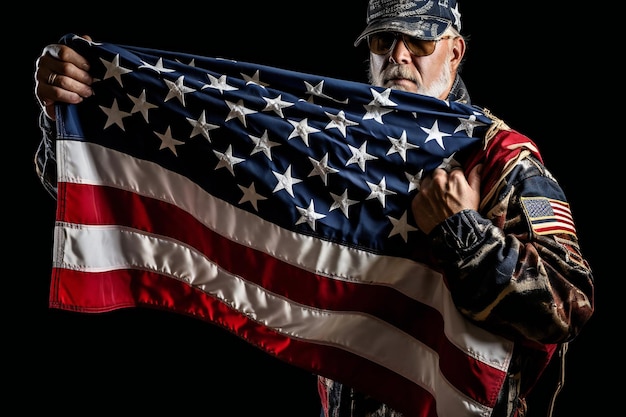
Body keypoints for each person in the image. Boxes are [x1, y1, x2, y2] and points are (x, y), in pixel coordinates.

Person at [33, 1, 594, 416]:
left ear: (455, 49)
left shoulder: (496, 157)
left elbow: (567, 306)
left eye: (419, 41)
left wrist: (461, 232)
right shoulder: (337, 145)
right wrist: (76, 109)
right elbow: (137, 183)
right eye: (383, 41)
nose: (399, 54)